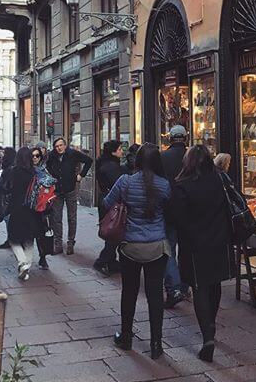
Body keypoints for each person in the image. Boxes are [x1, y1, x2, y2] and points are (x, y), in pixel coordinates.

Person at [103, 143, 170, 359]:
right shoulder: (164, 185)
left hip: (130, 245)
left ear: (137, 161)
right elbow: (170, 211)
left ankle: (126, 336)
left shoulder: (125, 181)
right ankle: (156, 343)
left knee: (129, 292)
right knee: (155, 295)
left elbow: (106, 203)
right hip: (156, 245)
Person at [169, 145, 236, 363]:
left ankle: (207, 336)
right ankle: (212, 325)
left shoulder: (182, 185)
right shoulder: (219, 180)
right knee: (215, 283)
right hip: (219, 240)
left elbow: (177, 217)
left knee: (199, 287)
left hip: (194, 244)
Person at [46, 137, 92, 255]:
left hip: (70, 189)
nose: (59, 148)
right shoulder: (51, 156)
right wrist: (51, 178)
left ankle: (71, 242)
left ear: (65, 145)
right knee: (56, 218)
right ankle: (58, 244)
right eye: (56, 146)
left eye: (61, 145)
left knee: (72, 217)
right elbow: (46, 167)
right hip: (57, 190)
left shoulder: (72, 154)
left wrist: (81, 175)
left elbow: (89, 161)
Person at [160, 125, 188, 308]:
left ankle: (174, 288)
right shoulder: (192, 156)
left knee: (169, 249)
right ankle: (185, 286)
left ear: (170, 138)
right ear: (185, 138)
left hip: (168, 209)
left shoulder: (163, 157)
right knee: (186, 249)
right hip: (189, 210)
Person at [7, 147, 41, 281]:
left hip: (17, 208)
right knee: (29, 238)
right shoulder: (35, 172)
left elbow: (7, 188)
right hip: (32, 209)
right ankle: (27, 267)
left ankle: (22, 263)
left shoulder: (13, 171)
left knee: (13, 238)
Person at [93, 140, 124, 276]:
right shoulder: (111, 167)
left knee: (111, 231)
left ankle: (111, 261)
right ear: (113, 152)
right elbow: (118, 185)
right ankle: (102, 261)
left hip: (105, 199)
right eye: (119, 149)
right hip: (111, 201)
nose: (122, 151)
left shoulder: (105, 163)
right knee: (114, 231)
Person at [32, 147, 55, 270]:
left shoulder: (44, 170)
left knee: (41, 233)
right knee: (29, 234)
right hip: (29, 207)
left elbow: (51, 184)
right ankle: (24, 259)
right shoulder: (27, 170)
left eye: (37, 156)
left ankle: (43, 257)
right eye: (33, 156)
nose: (35, 158)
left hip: (42, 207)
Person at [0, 146, 17, 249]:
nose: (2, 155)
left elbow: (7, 185)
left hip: (8, 197)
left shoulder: (10, 169)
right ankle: (11, 239)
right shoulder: (11, 167)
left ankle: (11, 240)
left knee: (8, 219)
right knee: (8, 219)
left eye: (4, 153)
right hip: (10, 197)